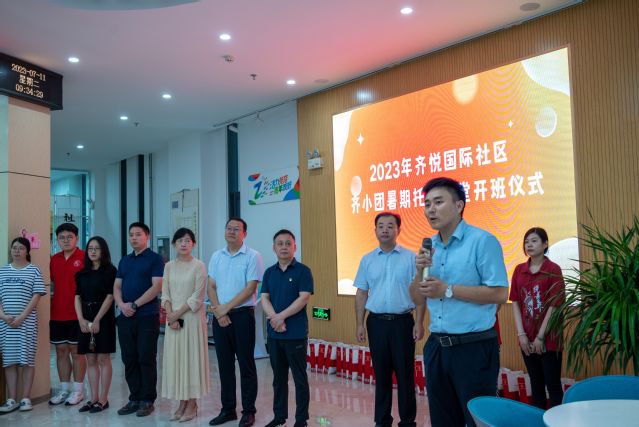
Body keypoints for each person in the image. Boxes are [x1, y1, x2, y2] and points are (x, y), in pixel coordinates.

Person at [409, 177, 508, 427]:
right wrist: (418, 271)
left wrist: (448, 290)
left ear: (459, 205)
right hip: (437, 347)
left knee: (476, 420)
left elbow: (499, 293)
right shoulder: (429, 248)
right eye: (427, 204)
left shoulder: (482, 241)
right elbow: (416, 297)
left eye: (438, 202)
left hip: (473, 348)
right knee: (443, 421)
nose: (430, 210)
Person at [354, 212, 424, 427]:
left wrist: (419, 322)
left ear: (398, 230)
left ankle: (407, 421)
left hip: (403, 323)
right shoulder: (367, 259)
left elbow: (419, 293)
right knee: (381, 375)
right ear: (375, 230)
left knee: (405, 375)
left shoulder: (410, 258)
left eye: (390, 226)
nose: (385, 230)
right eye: (381, 226)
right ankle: (382, 421)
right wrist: (359, 323)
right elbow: (362, 293)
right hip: (376, 323)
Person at [207, 217, 263, 427]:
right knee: (224, 366)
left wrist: (225, 308)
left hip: (242, 316)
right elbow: (211, 286)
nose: (231, 231)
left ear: (244, 234)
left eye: (236, 229)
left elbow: (250, 289)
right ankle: (228, 409)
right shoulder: (216, 256)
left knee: (246, 364)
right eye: (228, 228)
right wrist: (219, 312)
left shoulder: (253, 256)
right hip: (220, 317)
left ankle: (248, 411)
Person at [261, 229, 314, 427]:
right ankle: (279, 417)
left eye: (288, 243)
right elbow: (264, 298)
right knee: (278, 379)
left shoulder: (303, 271)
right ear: (274, 248)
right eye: (280, 243)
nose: (284, 247)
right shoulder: (269, 272)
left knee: (300, 379)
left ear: (295, 247)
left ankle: (301, 420)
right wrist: (275, 319)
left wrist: (280, 317)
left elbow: (304, 298)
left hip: (295, 334)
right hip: (275, 335)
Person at [113, 222, 164, 417]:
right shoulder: (124, 261)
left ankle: (147, 399)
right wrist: (122, 305)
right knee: (129, 358)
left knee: (146, 358)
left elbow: (156, 286)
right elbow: (117, 286)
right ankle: (134, 398)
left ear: (147, 236)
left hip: (146, 316)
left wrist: (134, 305)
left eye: (138, 234)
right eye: (131, 234)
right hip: (125, 317)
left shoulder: (155, 259)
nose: (134, 238)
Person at [510, 227, 565, 409]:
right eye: (526, 242)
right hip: (526, 337)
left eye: (534, 241)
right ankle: (538, 420)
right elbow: (515, 302)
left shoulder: (553, 269)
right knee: (535, 384)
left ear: (545, 244)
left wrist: (541, 337)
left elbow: (555, 305)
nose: (529, 245)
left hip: (549, 337)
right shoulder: (519, 270)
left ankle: (557, 420)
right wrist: (521, 335)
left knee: (553, 384)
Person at [161, 228, 210, 422]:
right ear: (174, 244)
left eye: (188, 240)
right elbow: (165, 294)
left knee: (191, 360)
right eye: (180, 240)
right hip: (173, 321)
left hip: (191, 320)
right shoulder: (168, 266)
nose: (183, 243)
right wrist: (170, 315)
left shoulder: (199, 266)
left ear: (193, 244)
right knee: (177, 361)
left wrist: (176, 315)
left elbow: (197, 297)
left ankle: (192, 402)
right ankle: (182, 402)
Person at [0, 237, 46, 413]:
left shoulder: (34, 270)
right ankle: (11, 399)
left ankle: (26, 399)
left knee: (27, 360)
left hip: (26, 323)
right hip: (6, 324)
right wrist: (3, 316)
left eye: (20, 248)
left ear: (27, 251)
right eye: (14, 248)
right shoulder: (2, 271)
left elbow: (36, 296)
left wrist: (21, 317)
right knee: (9, 362)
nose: (17, 251)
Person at [74, 236, 117, 413]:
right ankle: (93, 398)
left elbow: (110, 296)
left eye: (97, 248)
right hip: (85, 316)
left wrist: (97, 319)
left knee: (102, 358)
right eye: (90, 248)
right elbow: (77, 297)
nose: (93, 251)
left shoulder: (110, 271)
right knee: (90, 358)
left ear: (103, 251)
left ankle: (104, 399)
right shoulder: (82, 273)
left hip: (104, 316)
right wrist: (80, 319)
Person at [49, 222, 87, 405]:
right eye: (61, 238)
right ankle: (64, 390)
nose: (65, 240)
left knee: (77, 353)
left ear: (77, 238)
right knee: (61, 351)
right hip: (57, 313)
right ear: (57, 240)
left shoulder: (85, 257)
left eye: (69, 237)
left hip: (78, 314)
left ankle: (78, 391)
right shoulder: (54, 259)